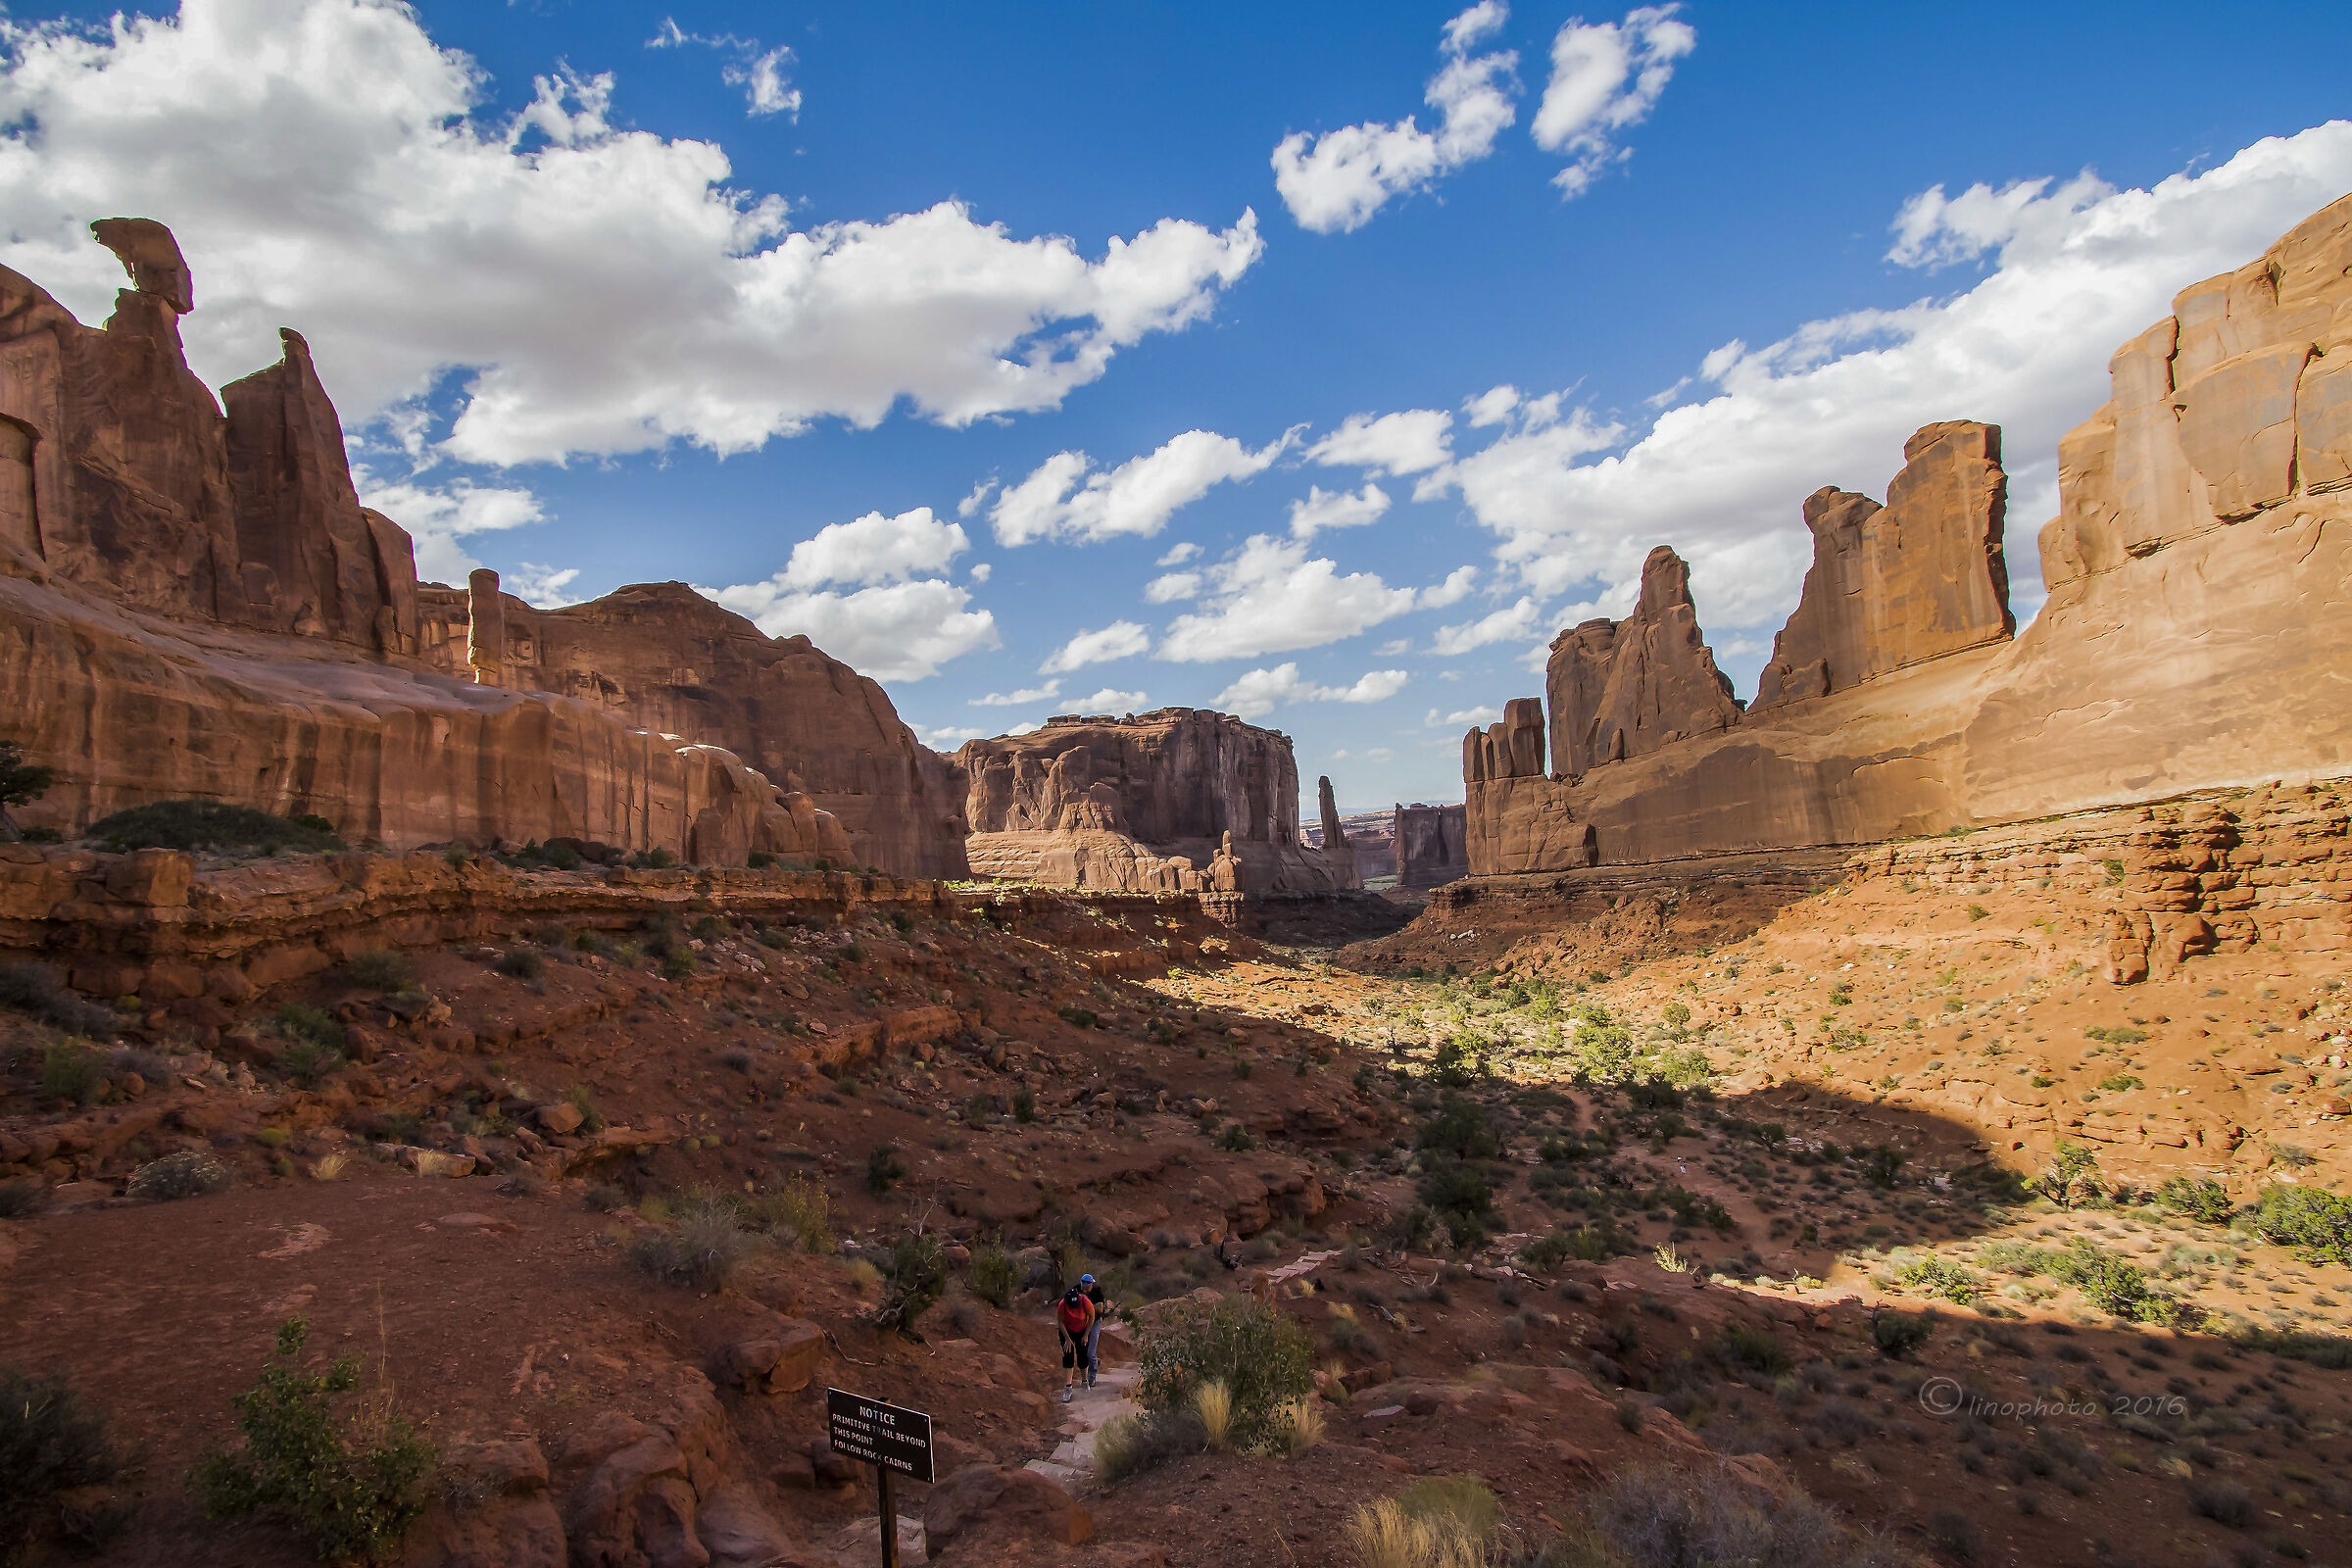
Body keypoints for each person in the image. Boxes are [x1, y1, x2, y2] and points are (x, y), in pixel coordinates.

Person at [1055, 1279, 1096, 1403]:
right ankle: (1068, 1387)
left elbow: (1092, 1317)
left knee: (1082, 1356)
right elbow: (1060, 1322)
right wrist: (1067, 1339)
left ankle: (1084, 1382)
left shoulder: (1085, 1302)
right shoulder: (1062, 1305)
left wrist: (1086, 1335)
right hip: (1067, 1331)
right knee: (1068, 1356)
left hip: (1082, 1330)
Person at [1079, 1273, 1112, 1388]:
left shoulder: (1097, 1292)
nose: (1086, 1290)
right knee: (1082, 1351)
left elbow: (1101, 1309)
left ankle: (1092, 1377)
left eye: (1088, 1288)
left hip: (1094, 1322)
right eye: (1084, 1287)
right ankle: (1093, 1362)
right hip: (1081, 1321)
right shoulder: (1077, 1289)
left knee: (1090, 1353)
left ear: (1092, 1285)